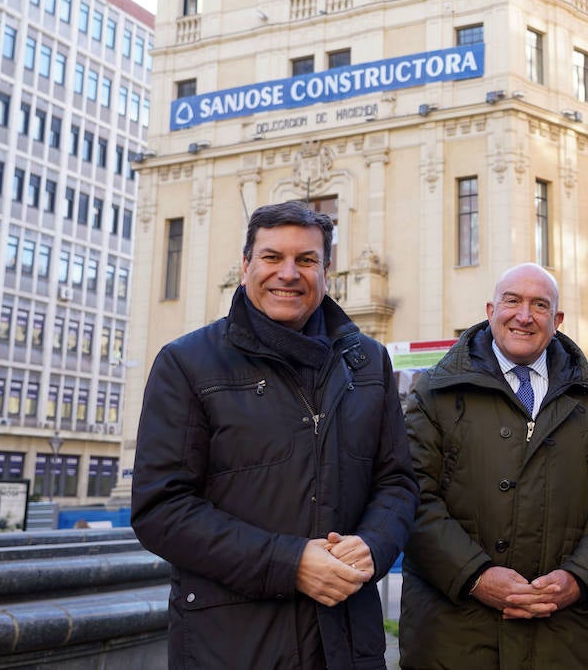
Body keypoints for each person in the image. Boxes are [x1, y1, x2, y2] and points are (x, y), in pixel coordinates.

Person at [132, 201, 419, 669]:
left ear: (328, 270)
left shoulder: (368, 362)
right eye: (271, 257)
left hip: (347, 642)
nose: (288, 273)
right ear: (246, 265)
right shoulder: (186, 363)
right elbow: (160, 509)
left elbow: (397, 482)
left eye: (306, 260)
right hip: (232, 646)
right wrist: (289, 564)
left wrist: (373, 543)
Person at [400, 263, 588, 669]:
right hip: (454, 636)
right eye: (512, 301)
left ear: (557, 319)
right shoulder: (435, 391)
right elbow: (411, 495)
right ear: (492, 309)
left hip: (562, 637)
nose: (524, 316)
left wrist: (578, 579)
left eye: (539, 305)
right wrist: (475, 577)